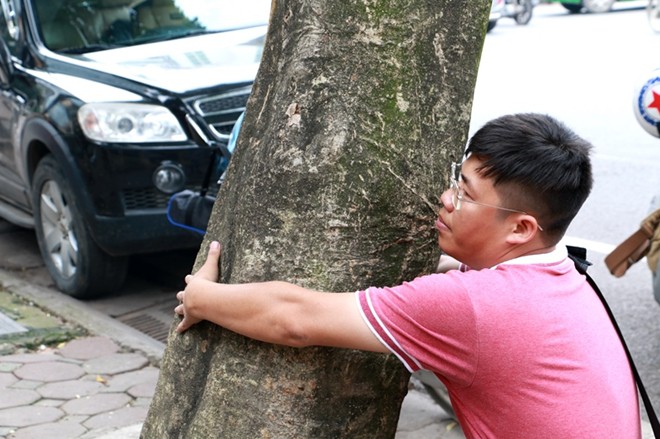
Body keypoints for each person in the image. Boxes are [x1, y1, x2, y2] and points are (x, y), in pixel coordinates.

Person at [175, 113, 640, 438]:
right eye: (454, 181)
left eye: (464, 193)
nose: (445, 198)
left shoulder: (473, 306)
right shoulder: (567, 278)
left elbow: (294, 319)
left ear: (520, 228)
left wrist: (202, 298)